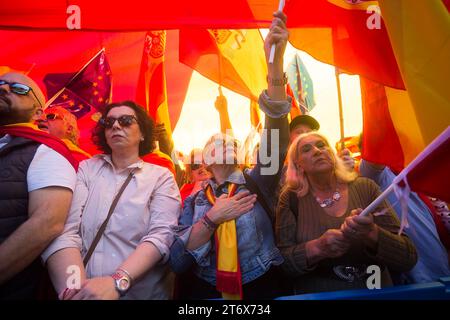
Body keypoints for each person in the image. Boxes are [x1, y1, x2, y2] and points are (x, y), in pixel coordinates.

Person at [170, 10, 291, 300]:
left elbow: (276, 137)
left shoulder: (259, 181)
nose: (223, 141)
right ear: (206, 162)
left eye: (228, 139)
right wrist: (213, 218)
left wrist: (274, 68)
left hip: (261, 288)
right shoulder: (194, 200)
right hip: (206, 293)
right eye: (214, 142)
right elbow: (177, 260)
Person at [43, 100, 181, 299]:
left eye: (126, 121)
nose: (116, 125)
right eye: (109, 122)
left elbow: (161, 236)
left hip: (141, 294)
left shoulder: (160, 176)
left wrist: (117, 281)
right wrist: (75, 290)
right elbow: (67, 231)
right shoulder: (87, 169)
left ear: (142, 133)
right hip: (86, 288)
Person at [276, 131, 417, 294]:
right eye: (306, 149)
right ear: (298, 164)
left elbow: (408, 257)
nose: (317, 150)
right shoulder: (290, 199)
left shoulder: (366, 187)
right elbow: (283, 263)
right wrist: (318, 248)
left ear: (332, 154)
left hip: (375, 291)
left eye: (322, 145)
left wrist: (372, 233)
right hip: (319, 295)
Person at [0, 72, 77, 299]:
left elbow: (47, 224)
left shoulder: (45, 151)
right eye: (1, 84)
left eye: (19, 89)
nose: (4, 89)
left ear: (37, 113)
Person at [359, 159, 450, 283]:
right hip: (417, 282)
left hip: (442, 272)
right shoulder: (377, 175)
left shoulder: (413, 174)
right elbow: (374, 155)